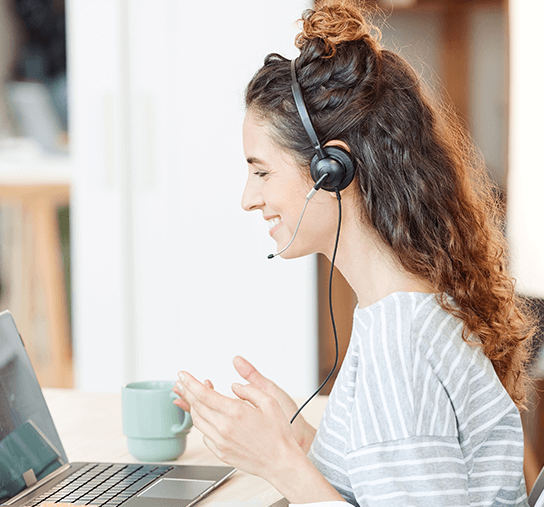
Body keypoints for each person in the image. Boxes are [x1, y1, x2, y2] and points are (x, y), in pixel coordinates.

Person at [173, 1, 535, 505]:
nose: (248, 198)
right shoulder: (401, 310)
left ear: (332, 170)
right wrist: (300, 444)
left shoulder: (398, 348)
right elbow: (389, 481)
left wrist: (278, 463)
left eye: (261, 171)